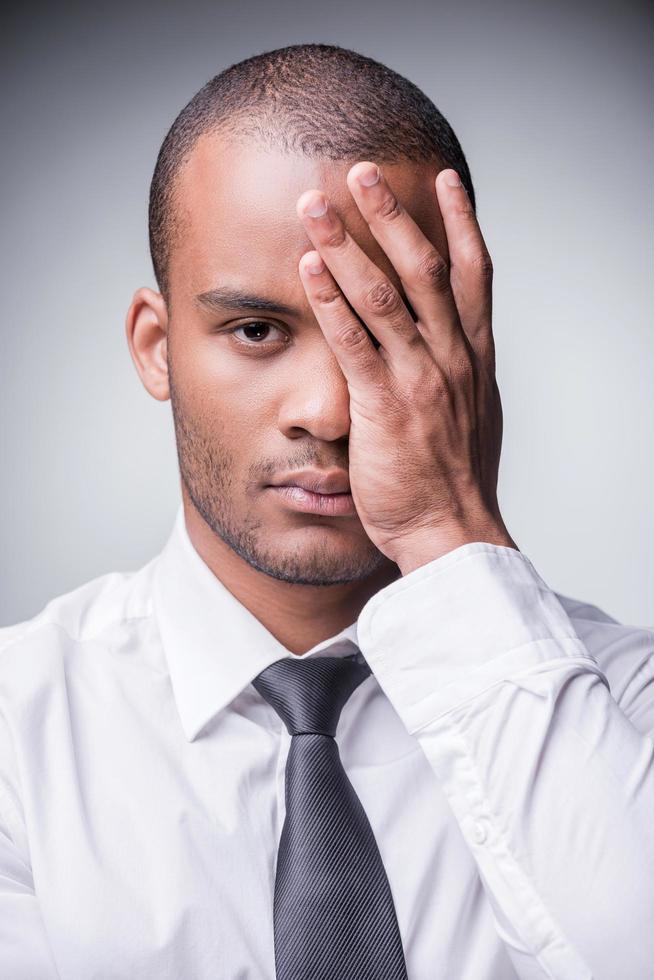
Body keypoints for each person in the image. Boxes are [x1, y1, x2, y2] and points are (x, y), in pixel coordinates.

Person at [1, 42, 652, 980]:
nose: (332, 410)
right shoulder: (19, 736)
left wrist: (447, 533)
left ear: (466, 351)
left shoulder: (624, 707)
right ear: (156, 347)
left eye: (390, 328)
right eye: (257, 331)